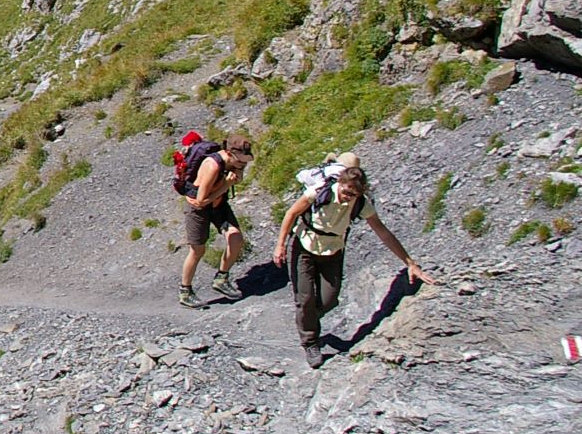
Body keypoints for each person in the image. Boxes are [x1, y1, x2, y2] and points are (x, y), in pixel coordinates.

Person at [273, 159, 430, 369]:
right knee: (306, 298)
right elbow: (291, 213)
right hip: (305, 248)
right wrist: (280, 245)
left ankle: (307, 319)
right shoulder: (320, 192)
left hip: (333, 252)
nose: (348, 198)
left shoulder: (361, 204)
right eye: (346, 192)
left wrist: (410, 262)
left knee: (329, 299)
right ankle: (310, 342)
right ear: (341, 183)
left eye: (353, 195)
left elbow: (383, 232)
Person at [180, 134, 252, 308]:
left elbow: (235, 178)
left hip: (218, 204)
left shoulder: (235, 162)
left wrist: (237, 174)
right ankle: (185, 291)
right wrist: (227, 186)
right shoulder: (212, 166)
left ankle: (221, 278)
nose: (243, 164)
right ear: (228, 153)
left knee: (236, 239)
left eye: (245, 160)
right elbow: (200, 200)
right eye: (240, 161)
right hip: (198, 208)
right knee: (197, 250)